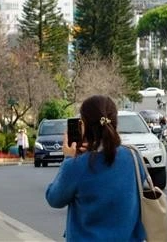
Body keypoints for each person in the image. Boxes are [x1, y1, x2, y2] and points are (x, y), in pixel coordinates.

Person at [45, 95, 146, 241]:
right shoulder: (133, 156)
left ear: (84, 125)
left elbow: (54, 198)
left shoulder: (76, 165)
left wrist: (68, 158)